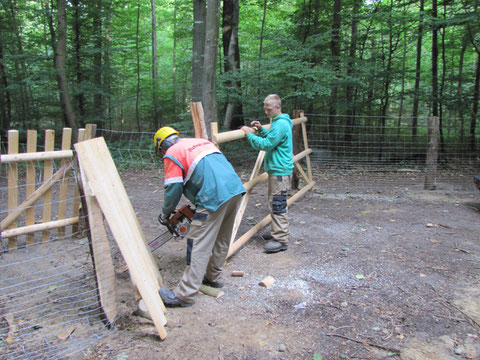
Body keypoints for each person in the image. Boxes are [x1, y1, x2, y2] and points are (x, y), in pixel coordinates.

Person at [153, 126, 245, 307]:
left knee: (197, 242)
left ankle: (184, 294)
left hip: (213, 194)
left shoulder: (171, 153)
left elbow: (173, 189)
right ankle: (214, 277)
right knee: (222, 237)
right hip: (235, 188)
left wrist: (165, 213)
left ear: (161, 147)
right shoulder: (199, 142)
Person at [241, 94, 293, 253]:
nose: (266, 112)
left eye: (269, 109)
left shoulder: (279, 125)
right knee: (275, 202)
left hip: (280, 172)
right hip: (278, 171)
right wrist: (261, 129)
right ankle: (277, 232)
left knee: (278, 204)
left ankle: (281, 240)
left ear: (278, 107)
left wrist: (249, 134)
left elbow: (267, 144)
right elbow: (273, 139)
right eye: (265, 109)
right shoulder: (280, 122)